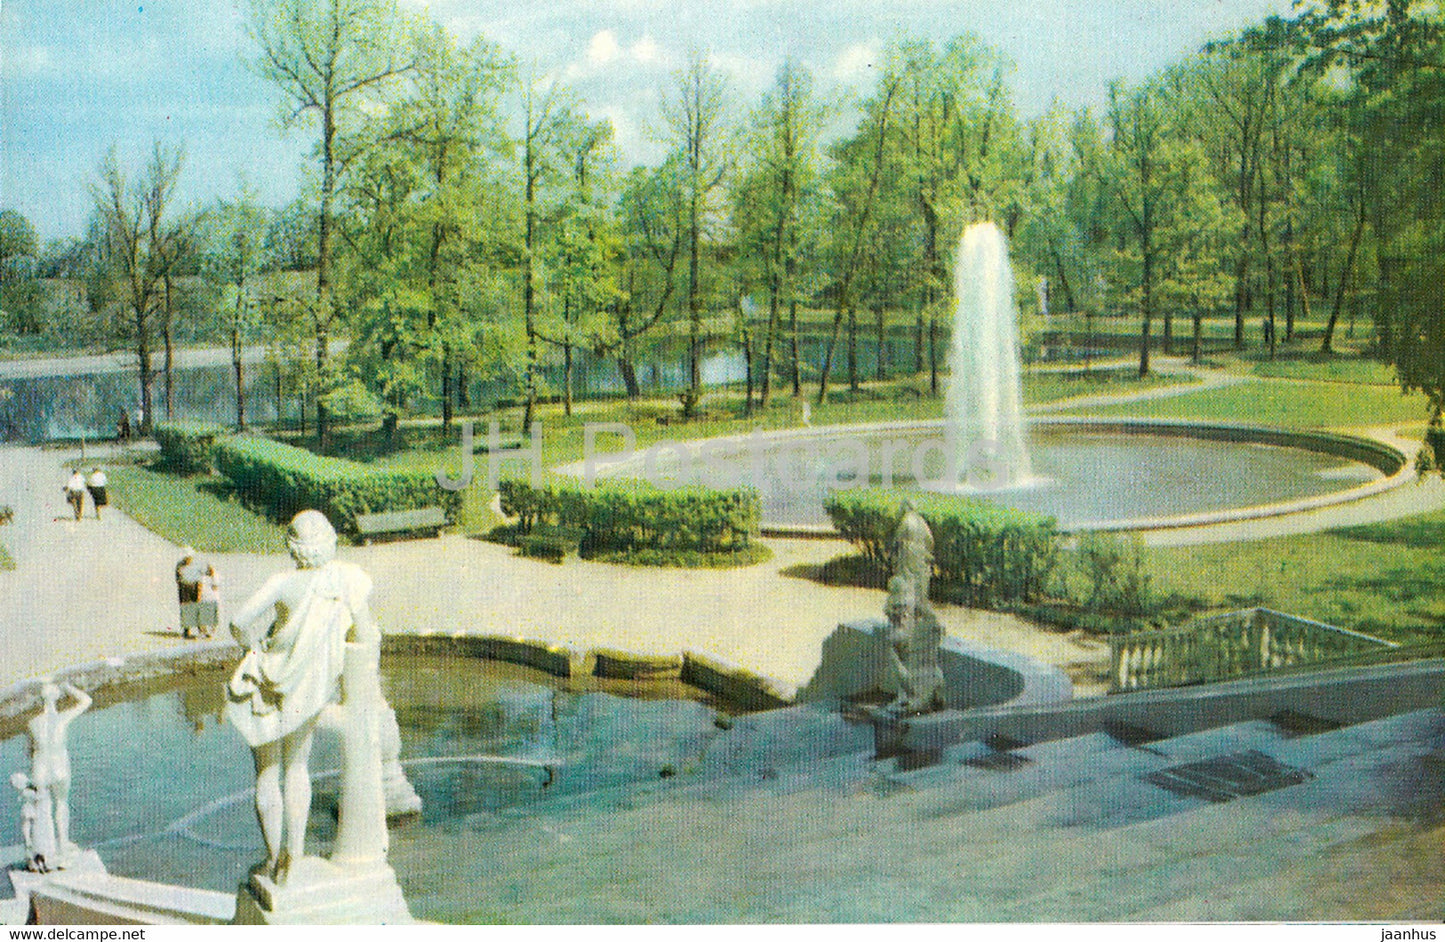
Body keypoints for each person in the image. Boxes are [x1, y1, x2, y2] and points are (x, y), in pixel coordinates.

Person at [224, 510, 381, 884]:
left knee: (266, 772)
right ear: (329, 542)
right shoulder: (342, 582)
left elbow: (238, 622)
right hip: (305, 690)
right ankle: (294, 857)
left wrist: (258, 649)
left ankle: (272, 859)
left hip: (266, 684)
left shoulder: (282, 583)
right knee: (298, 768)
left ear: (292, 546)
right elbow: (364, 634)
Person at [25, 682, 92, 858]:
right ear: (57, 697)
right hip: (59, 766)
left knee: (41, 809)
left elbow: (30, 751)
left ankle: (43, 848)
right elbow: (86, 701)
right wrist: (68, 686)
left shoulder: (33, 723)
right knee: (61, 804)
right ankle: (63, 842)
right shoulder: (63, 718)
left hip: (40, 768)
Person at [176, 546, 221, 638]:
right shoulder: (180, 565)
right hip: (185, 588)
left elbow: (210, 571)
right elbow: (178, 578)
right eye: (186, 558)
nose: (187, 560)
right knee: (186, 609)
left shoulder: (197, 564)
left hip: (196, 587)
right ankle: (187, 630)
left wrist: (214, 582)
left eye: (189, 558)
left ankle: (202, 629)